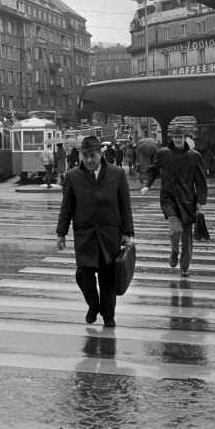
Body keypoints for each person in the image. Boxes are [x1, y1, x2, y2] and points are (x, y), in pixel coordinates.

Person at [56, 135, 135, 328]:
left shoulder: (117, 174)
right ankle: (93, 305)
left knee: (108, 277)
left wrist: (127, 233)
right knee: (84, 274)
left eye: (93, 155)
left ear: (100, 154)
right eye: (86, 156)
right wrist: (61, 232)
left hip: (110, 234)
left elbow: (125, 205)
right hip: (85, 235)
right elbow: (67, 207)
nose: (89, 160)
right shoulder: (73, 177)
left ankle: (109, 317)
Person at [139, 120, 208, 278]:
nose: (178, 139)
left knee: (187, 239)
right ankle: (174, 251)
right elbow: (153, 170)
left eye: (181, 136)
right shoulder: (163, 154)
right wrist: (146, 185)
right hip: (169, 199)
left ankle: (184, 268)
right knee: (176, 230)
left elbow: (201, 180)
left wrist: (200, 202)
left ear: (185, 137)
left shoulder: (194, 156)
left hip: (188, 200)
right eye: (176, 137)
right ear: (172, 138)